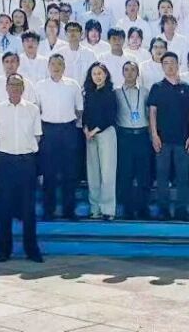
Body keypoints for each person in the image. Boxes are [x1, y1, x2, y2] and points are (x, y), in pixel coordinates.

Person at [0, 74, 43, 263]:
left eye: (18, 85)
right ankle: (4, 250)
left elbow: (37, 136)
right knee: (4, 208)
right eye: (11, 84)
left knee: (28, 208)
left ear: (23, 88)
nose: (15, 88)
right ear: (6, 87)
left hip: (26, 161)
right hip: (5, 162)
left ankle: (31, 250)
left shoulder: (32, 109)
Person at [148, 51, 189, 220]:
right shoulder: (157, 88)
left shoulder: (187, 88)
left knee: (183, 176)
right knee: (162, 176)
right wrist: (154, 135)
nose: (169, 66)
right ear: (162, 67)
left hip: (183, 139)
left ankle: (181, 209)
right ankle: (163, 209)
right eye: (166, 63)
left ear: (178, 65)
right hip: (162, 140)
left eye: (172, 62)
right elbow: (152, 113)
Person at [33, 55, 81, 221]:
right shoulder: (40, 85)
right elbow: (36, 110)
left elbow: (79, 110)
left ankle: (69, 210)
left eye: (59, 64)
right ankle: (49, 210)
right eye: (53, 64)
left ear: (64, 66)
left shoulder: (73, 85)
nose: (56, 67)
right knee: (49, 173)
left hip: (68, 129)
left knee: (70, 173)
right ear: (48, 66)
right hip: (48, 131)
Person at [114, 60, 152, 219]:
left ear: (138, 73)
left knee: (144, 174)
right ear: (122, 73)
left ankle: (143, 208)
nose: (129, 73)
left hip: (142, 136)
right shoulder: (116, 93)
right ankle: (128, 209)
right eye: (126, 70)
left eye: (133, 70)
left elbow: (150, 113)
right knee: (125, 174)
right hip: (124, 137)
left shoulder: (145, 92)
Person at [82, 62, 119, 220]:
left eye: (100, 73)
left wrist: (95, 130)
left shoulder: (111, 93)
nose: (97, 76)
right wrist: (86, 129)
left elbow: (110, 116)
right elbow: (86, 114)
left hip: (106, 134)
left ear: (106, 75)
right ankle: (95, 209)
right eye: (94, 74)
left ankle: (108, 210)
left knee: (107, 173)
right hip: (90, 136)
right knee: (93, 174)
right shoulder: (88, 93)